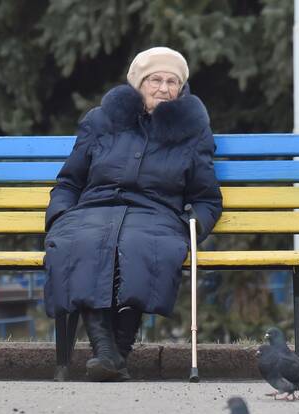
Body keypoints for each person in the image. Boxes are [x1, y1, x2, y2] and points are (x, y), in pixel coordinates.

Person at [44, 46, 222, 381]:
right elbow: (69, 180)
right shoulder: (101, 121)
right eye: (155, 79)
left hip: (156, 215)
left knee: (144, 244)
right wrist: (59, 217)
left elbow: (207, 198)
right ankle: (108, 354)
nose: (163, 88)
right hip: (93, 210)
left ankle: (115, 352)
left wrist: (190, 229)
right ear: (139, 83)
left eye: (172, 82)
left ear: (181, 89)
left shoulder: (193, 131)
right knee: (79, 240)